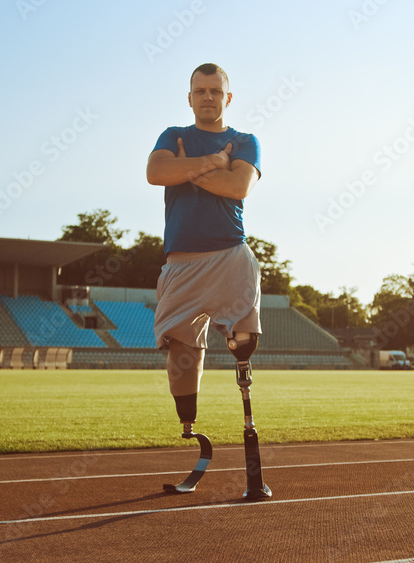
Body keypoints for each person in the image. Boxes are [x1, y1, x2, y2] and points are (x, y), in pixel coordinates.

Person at [146, 63, 262, 432]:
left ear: (227, 97)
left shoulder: (246, 141)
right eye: (201, 91)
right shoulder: (172, 134)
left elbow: (238, 187)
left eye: (215, 91)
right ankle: (188, 427)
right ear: (190, 99)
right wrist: (213, 163)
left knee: (243, 339)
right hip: (181, 262)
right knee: (181, 351)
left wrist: (186, 168)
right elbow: (156, 173)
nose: (208, 97)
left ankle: (244, 382)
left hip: (230, 254)